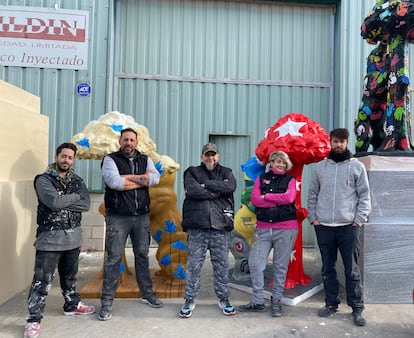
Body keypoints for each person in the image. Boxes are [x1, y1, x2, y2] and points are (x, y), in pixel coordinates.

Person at [24, 143, 95, 338]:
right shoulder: (43, 180)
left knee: (70, 277)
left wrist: (63, 199)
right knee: (42, 281)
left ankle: (72, 304)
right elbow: (53, 202)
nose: (66, 160)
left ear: (73, 160)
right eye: (63, 156)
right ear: (57, 157)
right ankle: (34, 319)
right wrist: (73, 198)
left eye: (70, 158)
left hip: (73, 238)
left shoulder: (77, 180)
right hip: (50, 239)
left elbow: (86, 204)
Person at [307, 128, 371, 327]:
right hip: (324, 226)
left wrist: (359, 219)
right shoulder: (320, 167)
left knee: (352, 269)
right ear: (330, 142)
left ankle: (357, 308)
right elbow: (312, 195)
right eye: (335, 141)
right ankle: (331, 303)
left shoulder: (356, 167)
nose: (338, 145)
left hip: (348, 227)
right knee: (328, 268)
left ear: (346, 143)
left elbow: (364, 195)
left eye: (341, 142)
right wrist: (313, 218)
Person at [98, 128, 162, 321]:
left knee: (142, 255)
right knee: (113, 258)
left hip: (141, 216)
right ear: (120, 141)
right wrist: (142, 180)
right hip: (118, 216)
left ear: (136, 142)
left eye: (132, 140)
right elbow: (114, 183)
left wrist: (127, 178)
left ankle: (147, 293)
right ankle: (107, 301)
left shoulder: (145, 159)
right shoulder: (110, 159)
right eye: (125, 139)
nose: (128, 143)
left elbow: (155, 179)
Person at [179, 143, 237, 318]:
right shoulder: (192, 172)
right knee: (194, 266)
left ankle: (224, 298)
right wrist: (217, 190)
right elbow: (192, 190)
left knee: (221, 266)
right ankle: (189, 300)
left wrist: (206, 185)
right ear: (201, 157)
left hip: (220, 227)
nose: (210, 158)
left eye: (213, 155)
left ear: (217, 156)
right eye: (207, 155)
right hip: (198, 227)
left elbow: (230, 187)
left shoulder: (227, 172)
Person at [238, 151, 298, 317]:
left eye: (283, 163)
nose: (280, 165)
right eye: (278, 161)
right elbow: (256, 200)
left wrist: (268, 196)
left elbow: (289, 198)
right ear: (271, 162)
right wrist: (276, 199)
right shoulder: (260, 179)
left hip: (286, 228)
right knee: (255, 263)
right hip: (263, 228)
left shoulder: (290, 180)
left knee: (280, 266)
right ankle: (257, 301)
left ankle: (276, 300)